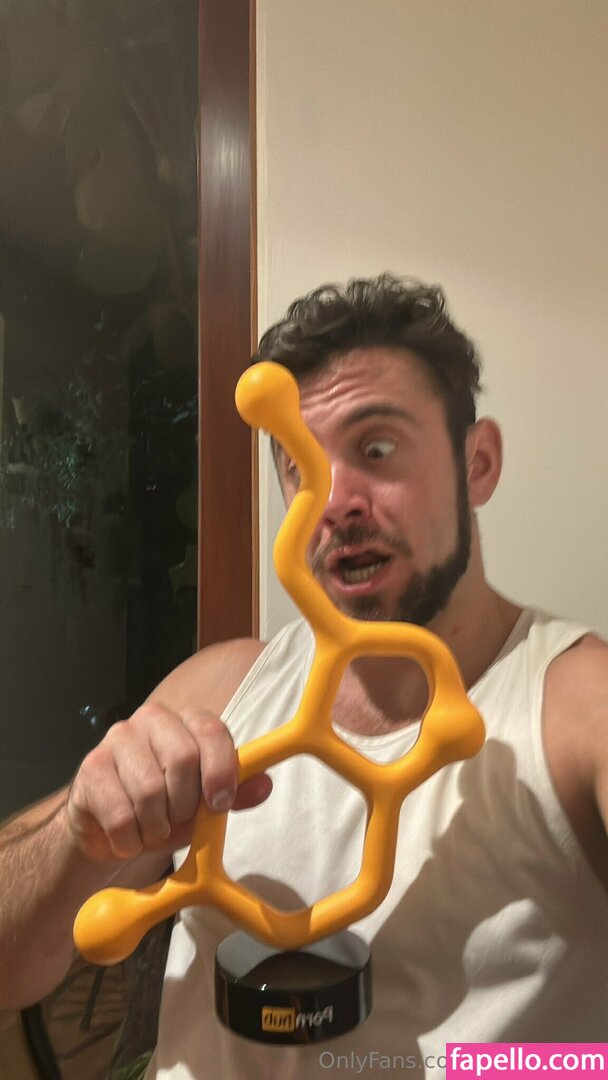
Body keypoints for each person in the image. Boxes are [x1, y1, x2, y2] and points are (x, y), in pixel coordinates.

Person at [1, 274, 607, 1079]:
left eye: (377, 449)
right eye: (298, 465)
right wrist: (79, 835)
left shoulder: (575, 709)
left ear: (479, 463)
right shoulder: (222, 690)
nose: (334, 502)